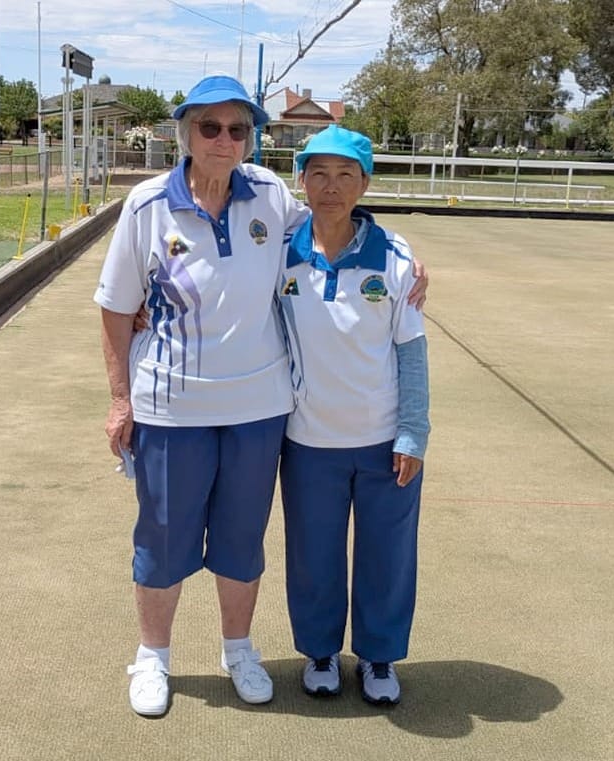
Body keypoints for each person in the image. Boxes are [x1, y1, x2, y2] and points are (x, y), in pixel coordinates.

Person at [95, 76, 428, 717]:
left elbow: (342, 218)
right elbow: (115, 310)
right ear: (183, 131)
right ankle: (153, 658)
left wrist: (409, 256)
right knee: (163, 541)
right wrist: (120, 400)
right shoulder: (145, 206)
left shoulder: (273, 194)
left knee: (242, 541)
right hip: (172, 406)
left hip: (261, 410)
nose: (224, 140)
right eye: (209, 127)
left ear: (252, 137)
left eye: (238, 129)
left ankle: (239, 650)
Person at [277, 125, 430, 706]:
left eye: (345, 175)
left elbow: (411, 352)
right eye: (318, 173)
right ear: (303, 180)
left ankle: (379, 657)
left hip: (383, 440)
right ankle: (320, 651)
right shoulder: (281, 247)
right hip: (307, 439)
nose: (331, 187)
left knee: (387, 556)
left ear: (365, 183)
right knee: (314, 552)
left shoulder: (395, 258)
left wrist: (413, 433)